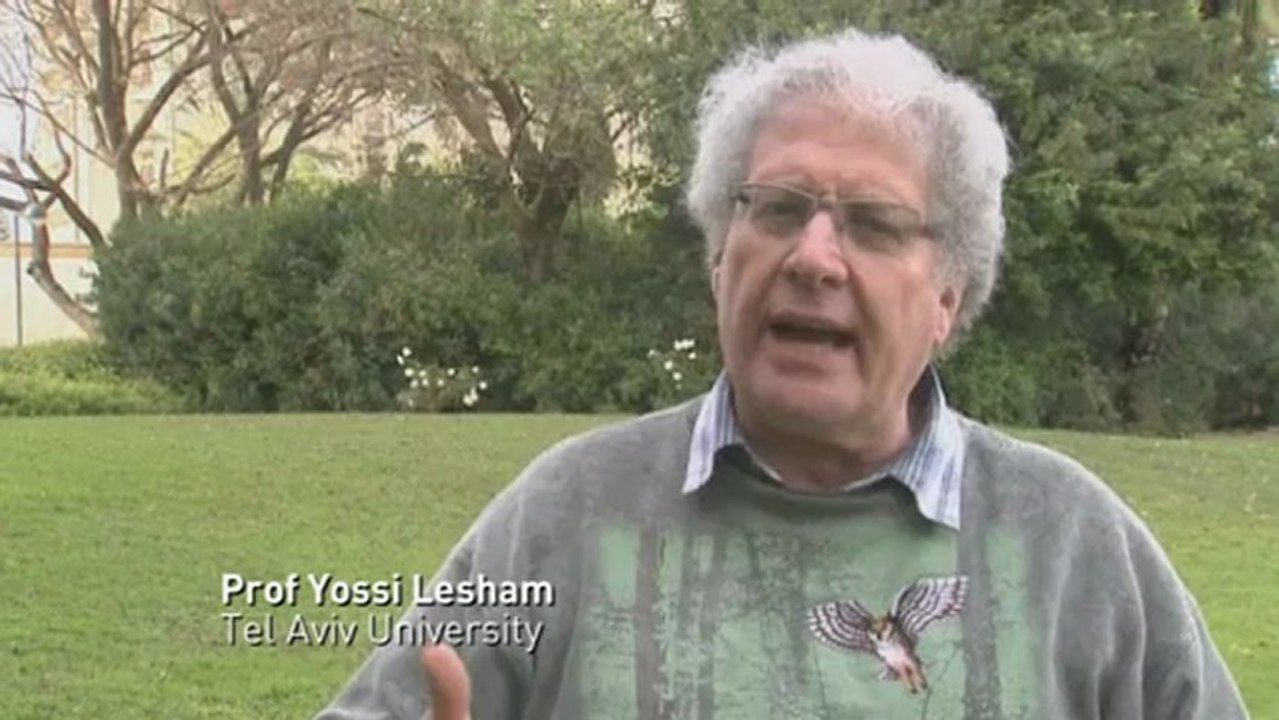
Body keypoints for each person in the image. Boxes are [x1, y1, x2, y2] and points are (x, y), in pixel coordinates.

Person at [316, 28, 1249, 719]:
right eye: (775, 208)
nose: (811, 256)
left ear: (947, 299)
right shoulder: (563, 515)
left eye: (873, 224)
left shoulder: (1073, 544)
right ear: (718, 258)